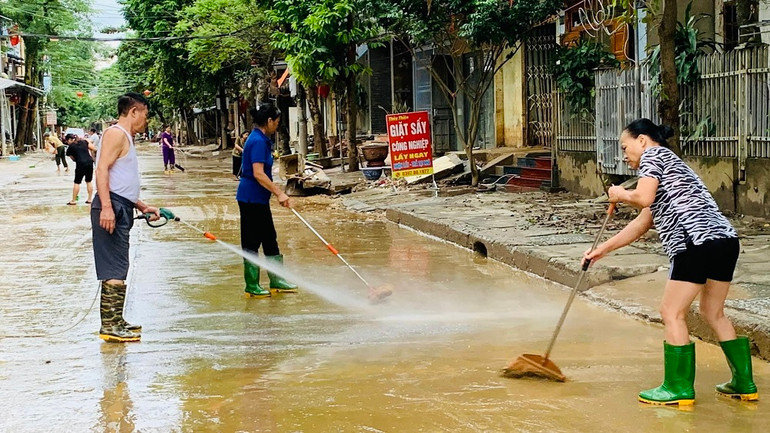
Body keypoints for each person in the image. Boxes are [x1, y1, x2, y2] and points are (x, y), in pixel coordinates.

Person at [583, 119, 758, 406]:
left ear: (642, 140)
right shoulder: (675, 167)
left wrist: (619, 194)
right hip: (724, 241)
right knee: (713, 313)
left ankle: (677, 388)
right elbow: (642, 222)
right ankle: (744, 383)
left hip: (694, 242)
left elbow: (642, 197)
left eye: (625, 147)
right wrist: (602, 250)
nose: (625, 156)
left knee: (671, 311)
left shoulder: (653, 156)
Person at [91, 92, 160, 343]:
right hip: (112, 206)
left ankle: (116, 321)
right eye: (145, 114)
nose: (146, 120)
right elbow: (101, 171)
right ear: (134, 112)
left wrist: (141, 205)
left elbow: (121, 181)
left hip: (122, 205)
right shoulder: (116, 134)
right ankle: (110, 326)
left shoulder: (126, 138)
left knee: (120, 265)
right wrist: (107, 207)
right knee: (114, 267)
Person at [237, 104, 297, 297]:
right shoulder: (257, 141)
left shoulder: (261, 139)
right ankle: (251, 285)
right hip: (250, 198)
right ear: (269, 121)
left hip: (259, 198)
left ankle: (277, 280)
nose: (277, 126)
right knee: (252, 241)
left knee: (269, 238)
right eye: (277, 122)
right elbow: (258, 174)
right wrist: (279, 193)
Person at [65, 134, 96, 205]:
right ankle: (90, 199)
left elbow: (72, 158)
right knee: (89, 181)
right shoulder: (84, 142)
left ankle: (73, 200)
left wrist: (77, 159)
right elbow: (93, 148)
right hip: (89, 162)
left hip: (80, 163)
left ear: (69, 140)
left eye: (67, 141)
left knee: (77, 182)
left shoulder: (70, 147)